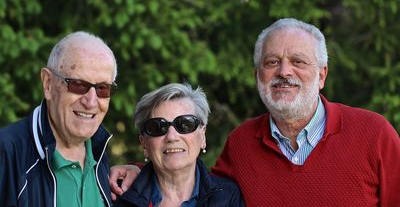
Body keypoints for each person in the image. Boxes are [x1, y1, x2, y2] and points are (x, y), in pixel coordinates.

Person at [110, 18, 400, 206]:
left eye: (298, 61)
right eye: (272, 62)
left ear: (322, 75)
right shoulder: (242, 143)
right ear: (257, 75)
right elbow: (193, 182)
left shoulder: (374, 134)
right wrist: (140, 171)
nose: (284, 71)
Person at [0, 31, 117, 207]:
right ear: (48, 84)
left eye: (102, 89)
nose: (91, 101)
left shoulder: (100, 156)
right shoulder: (6, 152)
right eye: (78, 84)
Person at [113, 83, 244, 207]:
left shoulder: (228, 196)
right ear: (144, 143)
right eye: (158, 127)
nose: (171, 136)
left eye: (185, 124)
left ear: (202, 136)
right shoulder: (119, 194)